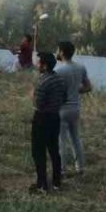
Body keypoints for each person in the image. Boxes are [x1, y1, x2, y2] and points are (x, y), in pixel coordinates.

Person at [30, 52, 67, 193]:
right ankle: (57, 182)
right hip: (55, 117)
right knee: (54, 150)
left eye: (39, 62)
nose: (37, 64)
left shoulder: (42, 82)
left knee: (38, 152)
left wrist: (32, 95)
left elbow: (38, 104)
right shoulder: (59, 79)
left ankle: (42, 185)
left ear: (44, 66)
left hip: (41, 118)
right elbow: (64, 98)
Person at [54, 41, 92, 174]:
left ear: (62, 52)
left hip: (62, 109)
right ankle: (80, 167)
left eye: (57, 50)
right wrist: (75, 91)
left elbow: (54, 91)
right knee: (76, 138)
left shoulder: (58, 71)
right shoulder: (81, 67)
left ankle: (62, 169)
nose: (56, 52)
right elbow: (88, 87)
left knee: (61, 141)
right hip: (75, 108)